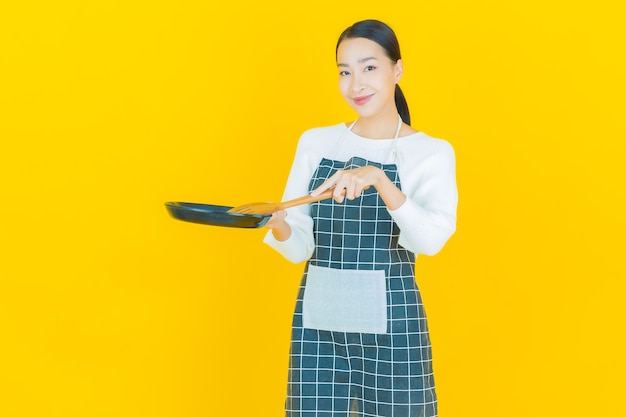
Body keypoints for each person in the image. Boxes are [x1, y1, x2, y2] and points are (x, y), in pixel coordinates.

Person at [263, 19, 457, 417]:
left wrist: (381, 181)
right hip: (318, 327)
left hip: (393, 328)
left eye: (369, 68)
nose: (356, 85)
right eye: (344, 72)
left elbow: (431, 241)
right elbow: (301, 246)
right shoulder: (316, 143)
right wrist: (278, 222)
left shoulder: (431, 153)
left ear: (397, 70)